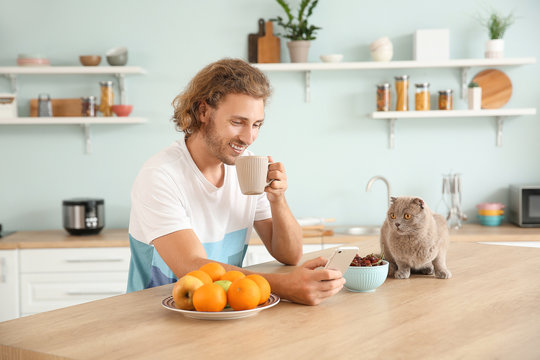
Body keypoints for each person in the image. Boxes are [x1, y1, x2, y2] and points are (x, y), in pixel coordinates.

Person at [127, 58, 344, 305]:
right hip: (157, 317)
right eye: (237, 122)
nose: (248, 137)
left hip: (226, 309)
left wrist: (277, 199)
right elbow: (193, 267)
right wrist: (285, 286)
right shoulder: (160, 175)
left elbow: (290, 255)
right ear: (203, 112)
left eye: (256, 125)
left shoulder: (247, 167)